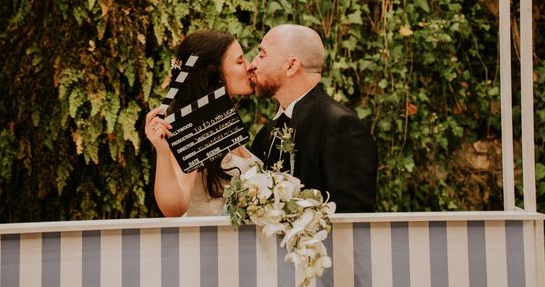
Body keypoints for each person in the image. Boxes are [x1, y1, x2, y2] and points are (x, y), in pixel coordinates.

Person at [249, 24, 377, 213]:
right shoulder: (265, 135)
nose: (253, 64)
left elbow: (353, 221)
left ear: (291, 65)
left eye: (262, 55)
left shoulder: (340, 127)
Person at [145, 30, 258, 217]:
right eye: (239, 61)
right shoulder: (196, 125)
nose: (249, 66)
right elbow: (174, 208)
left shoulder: (220, 122)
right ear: (214, 73)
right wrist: (163, 152)